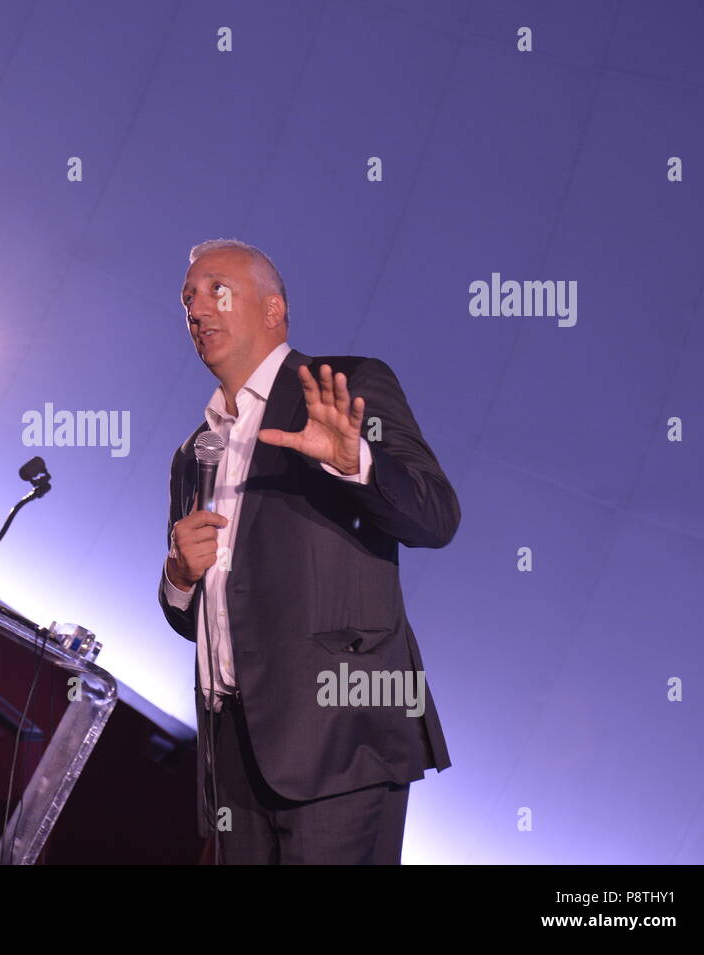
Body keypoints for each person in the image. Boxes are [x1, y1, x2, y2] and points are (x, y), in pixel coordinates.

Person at [159, 238, 459, 864]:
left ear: (273, 311)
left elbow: (435, 516)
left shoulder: (344, 386)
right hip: (232, 752)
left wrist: (356, 461)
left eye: (216, 289)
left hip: (338, 736)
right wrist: (179, 578)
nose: (196, 307)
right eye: (187, 298)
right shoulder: (195, 453)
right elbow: (204, 616)